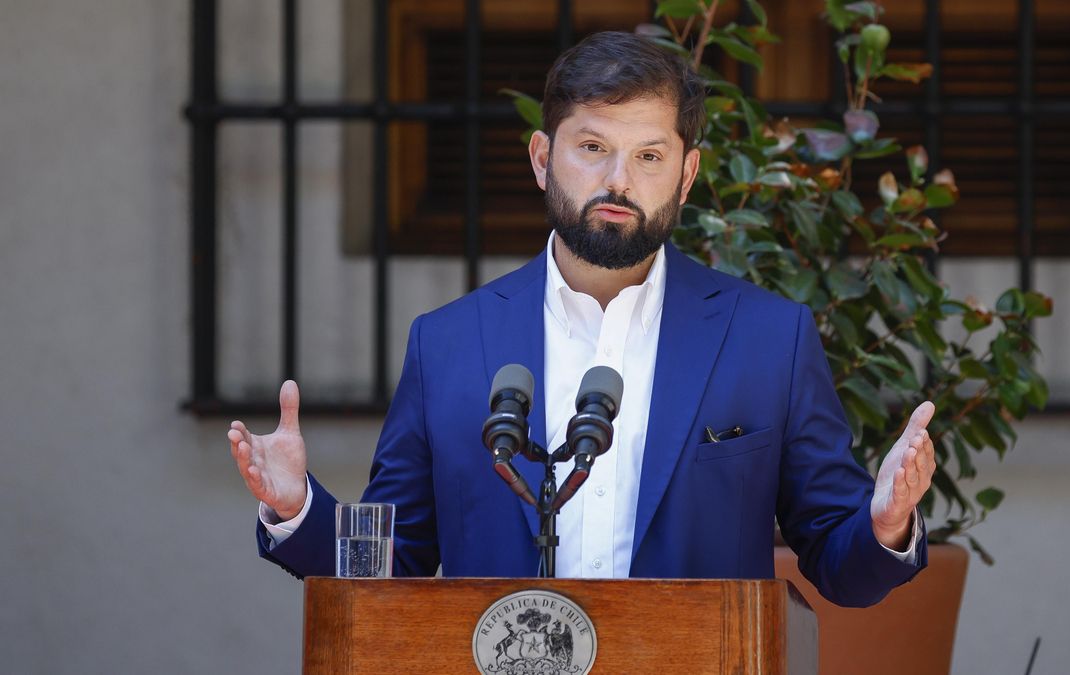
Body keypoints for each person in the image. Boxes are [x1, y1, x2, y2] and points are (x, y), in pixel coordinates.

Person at [229, 31, 936, 607]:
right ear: (543, 158)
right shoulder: (448, 343)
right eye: (593, 148)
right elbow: (392, 565)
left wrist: (885, 524)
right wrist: (298, 509)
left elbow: (841, 564)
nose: (618, 181)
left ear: (686, 176)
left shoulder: (766, 338)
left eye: (649, 156)